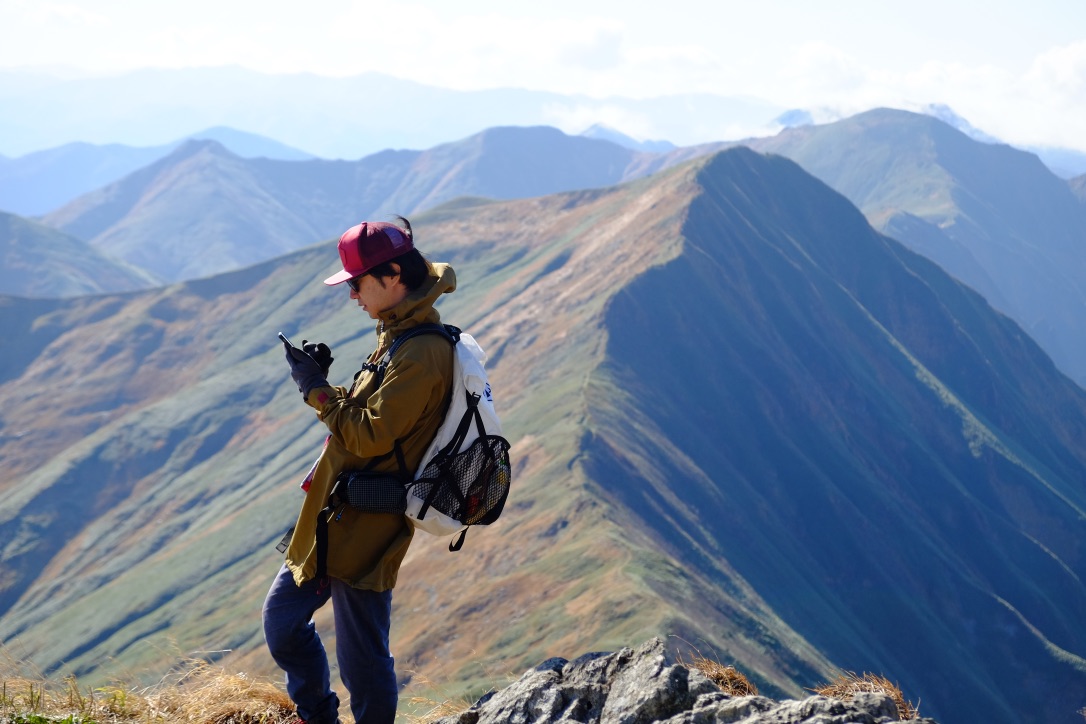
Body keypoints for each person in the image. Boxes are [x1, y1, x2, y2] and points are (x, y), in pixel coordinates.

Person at [263, 216, 456, 723]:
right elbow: (374, 418)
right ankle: (319, 716)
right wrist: (328, 384)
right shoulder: (396, 337)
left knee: (362, 658)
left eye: (356, 282)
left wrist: (317, 392)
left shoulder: (423, 351)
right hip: (335, 513)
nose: (352, 294)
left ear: (393, 275)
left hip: (368, 522)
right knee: (282, 622)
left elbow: (372, 434)